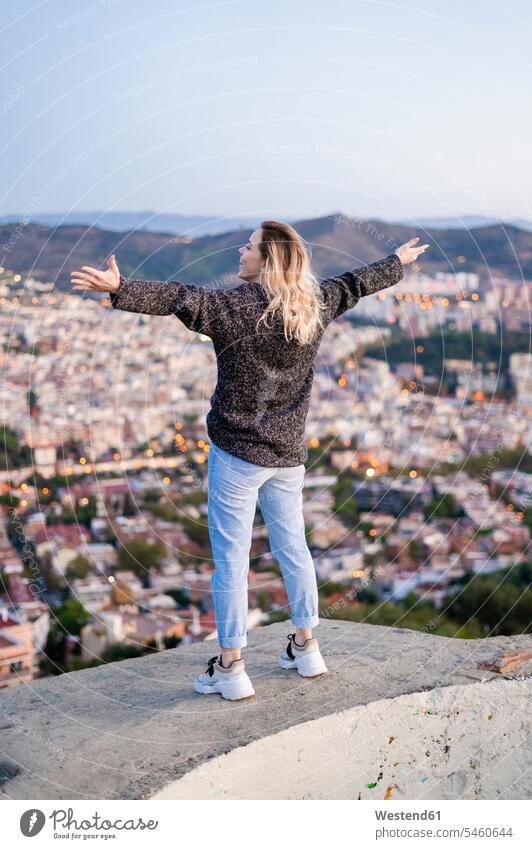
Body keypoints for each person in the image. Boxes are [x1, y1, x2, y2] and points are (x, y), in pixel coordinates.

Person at [71, 222, 429, 700]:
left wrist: (121, 289)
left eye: (248, 246)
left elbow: (180, 297)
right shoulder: (313, 304)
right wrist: (397, 264)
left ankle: (232, 666)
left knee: (231, 562)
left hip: (237, 456)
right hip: (288, 457)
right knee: (293, 549)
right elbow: (354, 284)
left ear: (267, 259)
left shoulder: (231, 308)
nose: (240, 250)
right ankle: (306, 647)